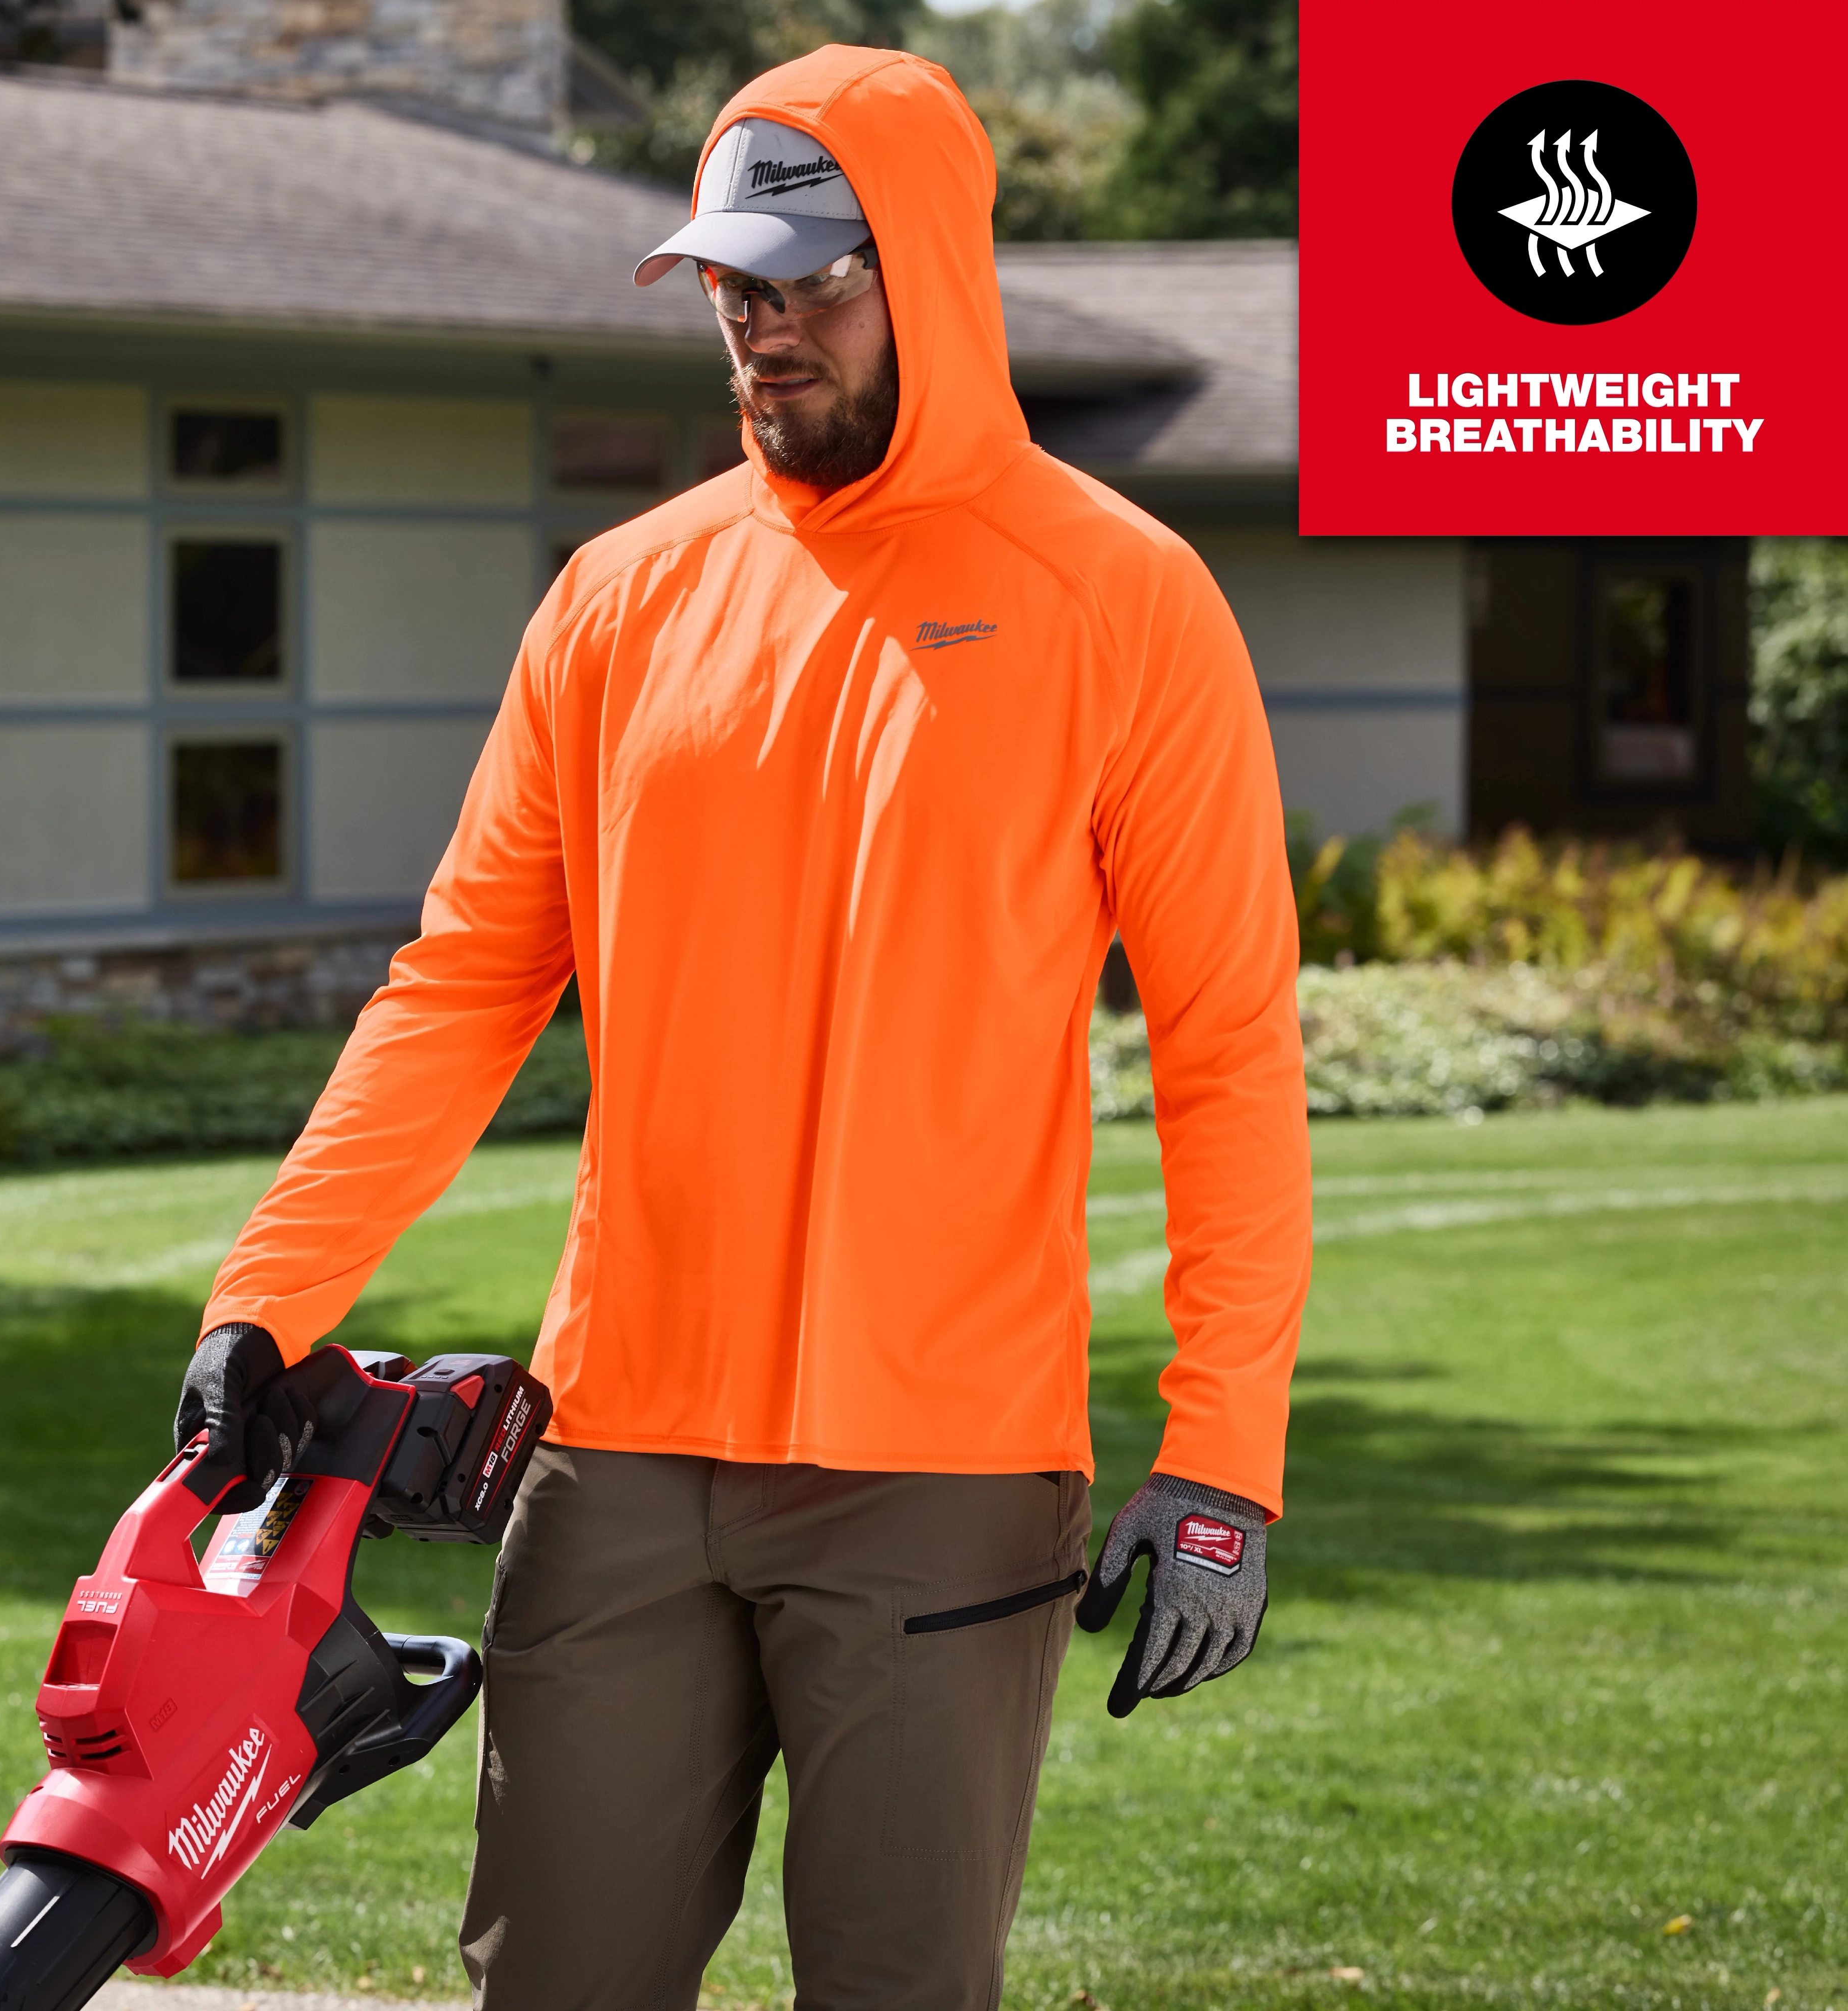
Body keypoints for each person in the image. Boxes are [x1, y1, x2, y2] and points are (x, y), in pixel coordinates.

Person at [175, 43, 1310, 2011]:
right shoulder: (620, 601)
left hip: (938, 1462)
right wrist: (266, 1292)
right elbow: (458, 982)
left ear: (934, 270)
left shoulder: (1123, 601)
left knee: (892, 1985)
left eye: (806, 277)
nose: (757, 323)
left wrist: (1220, 1455)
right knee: (553, 1981)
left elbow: (1224, 1045)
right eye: (728, 281)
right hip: (611, 1449)